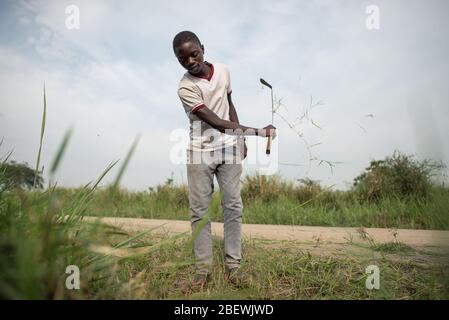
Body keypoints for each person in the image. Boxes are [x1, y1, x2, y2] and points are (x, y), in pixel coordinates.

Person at [173, 30, 276, 290]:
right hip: (201, 151)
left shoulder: (224, 71)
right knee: (200, 212)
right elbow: (217, 123)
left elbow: (229, 104)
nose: (190, 62)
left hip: (229, 149)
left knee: (233, 207)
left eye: (194, 54)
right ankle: (202, 272)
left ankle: (233, 268)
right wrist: (257, 132)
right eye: (182, 59)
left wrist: (240, 140)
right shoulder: (185, 87)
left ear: (202, 49)